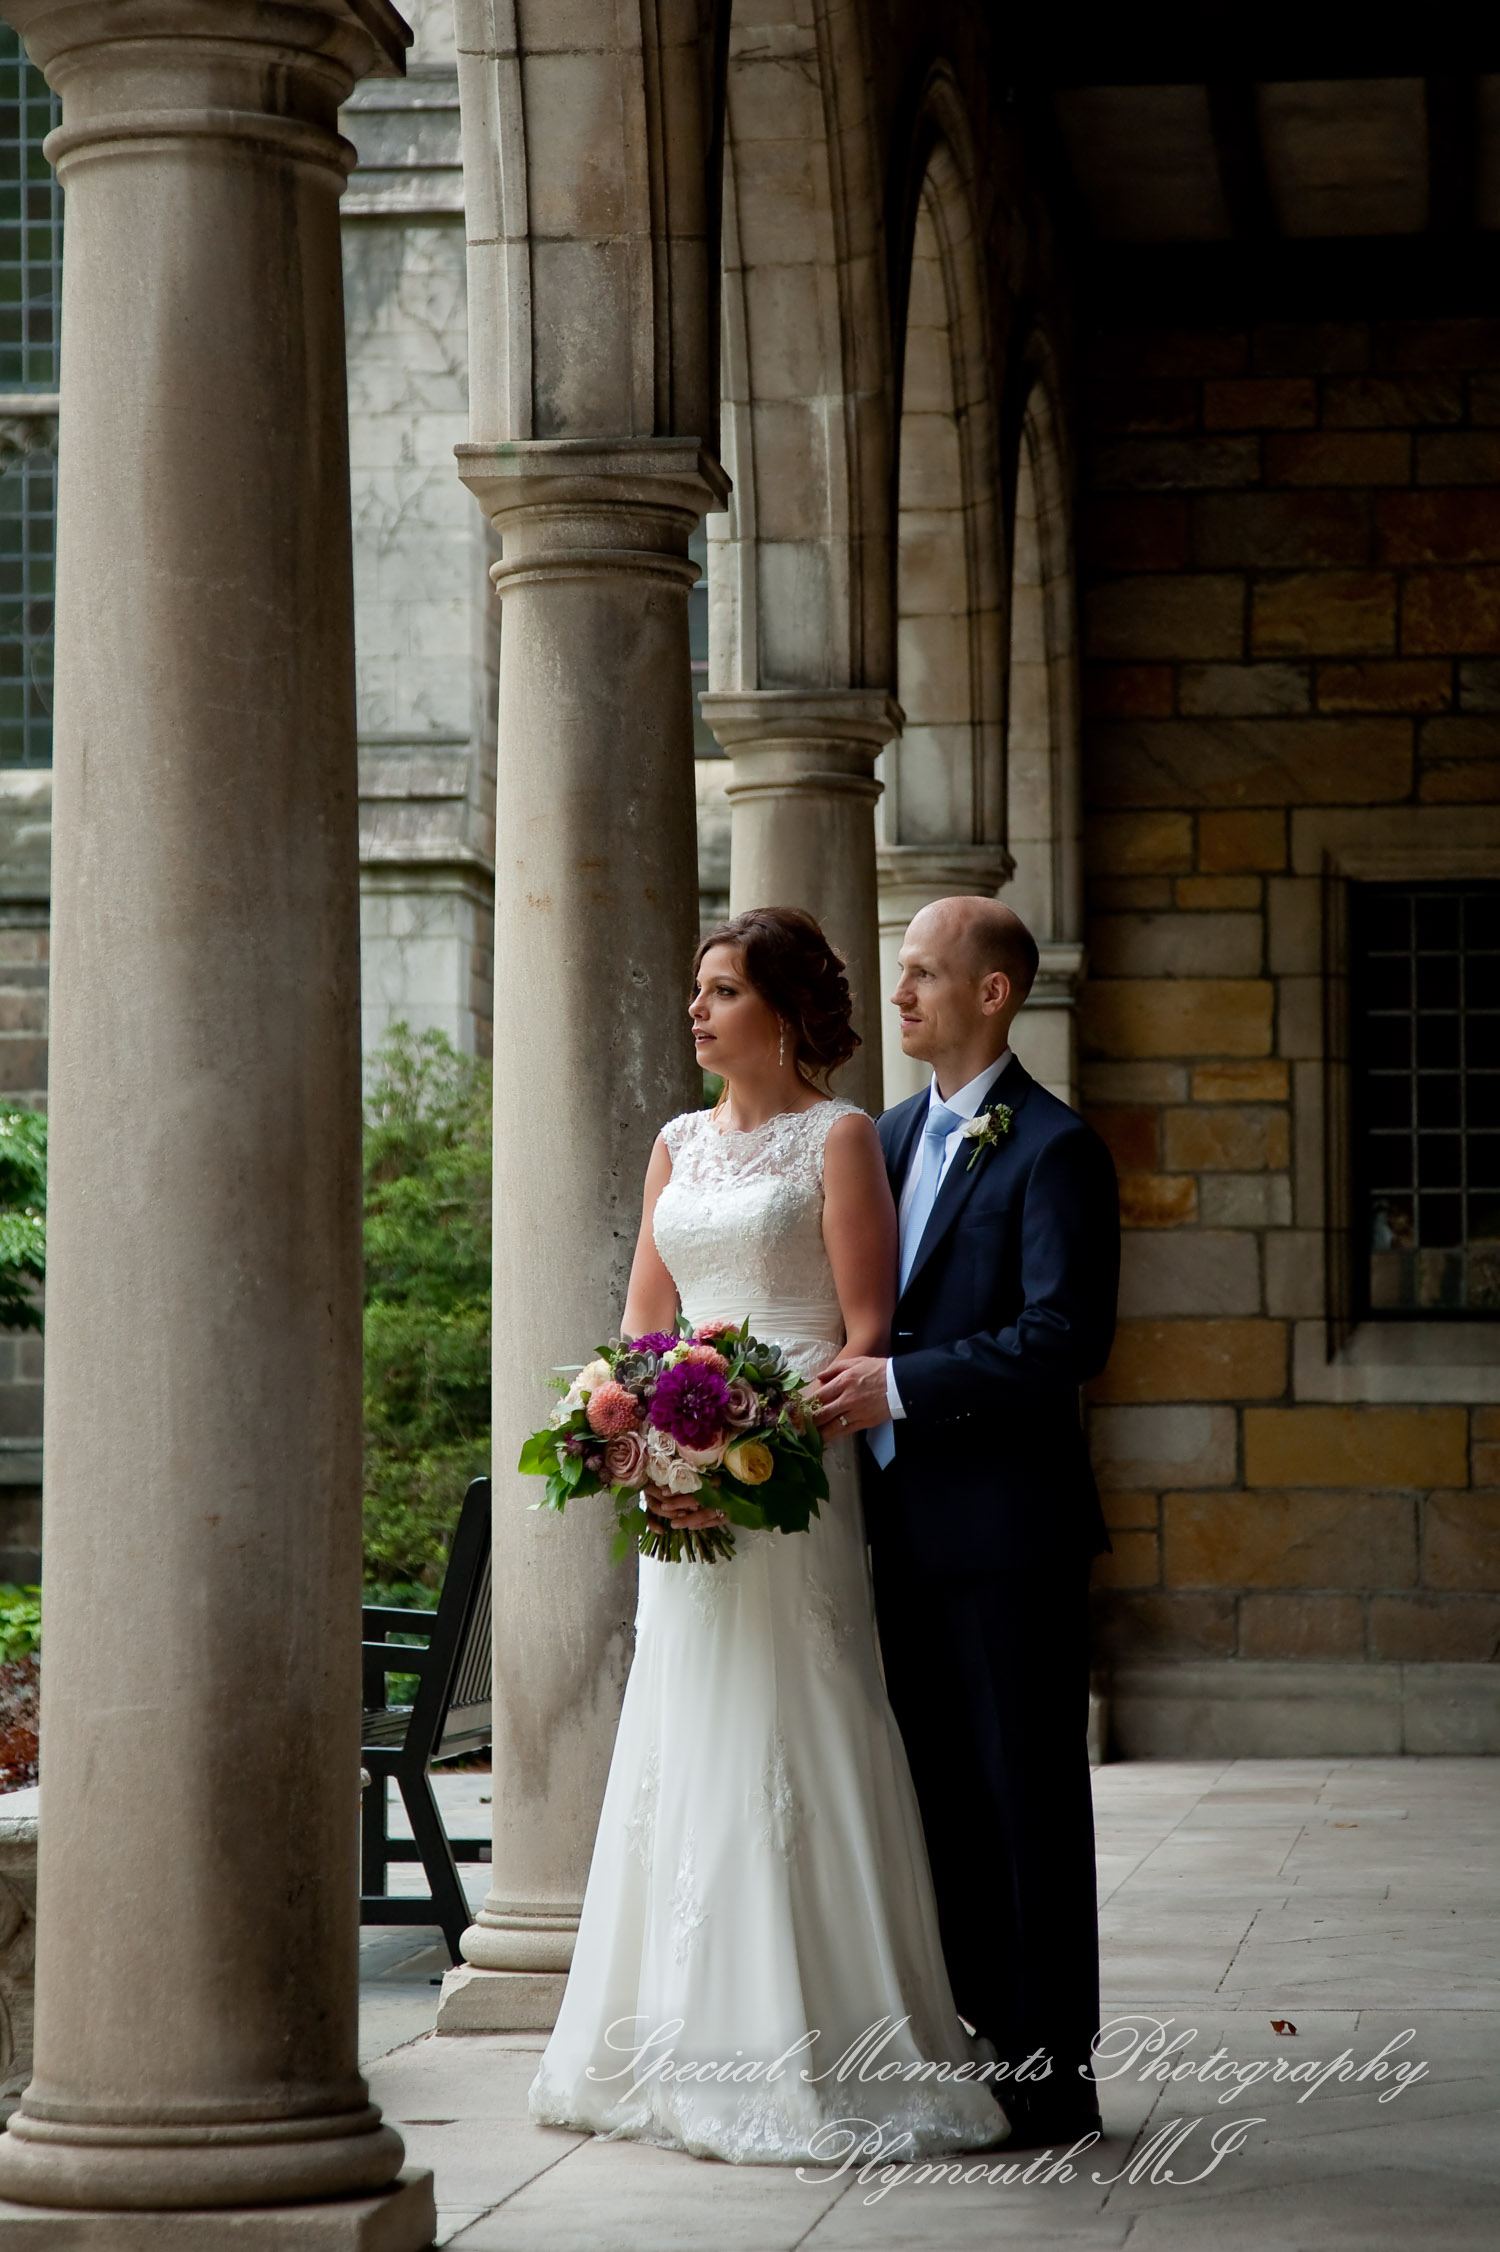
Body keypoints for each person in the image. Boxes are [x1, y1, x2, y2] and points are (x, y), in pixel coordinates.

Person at [528, 906, 1004, 2163]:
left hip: (790, 1476)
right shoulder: (675, 1141)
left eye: (722, 988)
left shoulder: (839, 1137)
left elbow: (863, 1328)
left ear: (785, 1014)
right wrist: (642, 1449)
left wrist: (757, 1446)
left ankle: (817, 2041)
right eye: (697, 988)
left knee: (789, 1722)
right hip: (682, 1472)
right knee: (685, 1723)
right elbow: (643, 1320)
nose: (697, 1008)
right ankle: (663, 2037)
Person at [810, 895, 1120, 2150]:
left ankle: (1056, 2074)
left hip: (1009, 1537)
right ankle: (977, 2042)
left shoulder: (1055, 1148)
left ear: (994, 994)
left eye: (926, 974)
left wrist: (900, 1383)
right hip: (891, 1529)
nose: (902, 995)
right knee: (934, 1795)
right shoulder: (878, 1137)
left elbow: (1064, 1339)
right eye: (901, 974)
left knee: (1024, 1799)